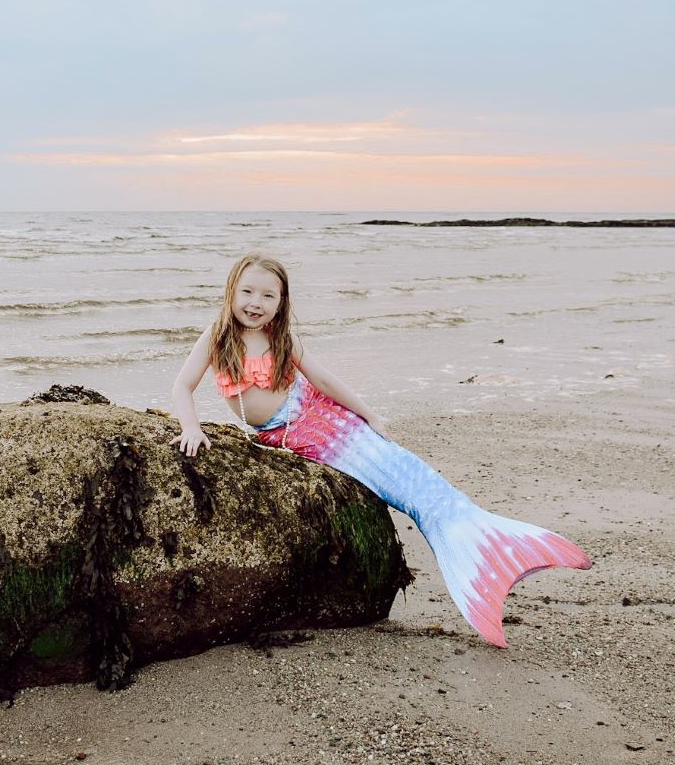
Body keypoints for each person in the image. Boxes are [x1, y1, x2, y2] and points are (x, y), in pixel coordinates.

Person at [170, 251, 591, 648]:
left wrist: (368, 413)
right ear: (231, 291)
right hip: (294, 432)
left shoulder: (281, 338)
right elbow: (182, 386)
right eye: (247, 291)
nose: (256, 303)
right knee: (396, 480)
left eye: (268, 295)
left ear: (281, 303)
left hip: (320, 415)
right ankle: (481, 551)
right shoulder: (217, 336)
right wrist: (191, 427)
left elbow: (323, 380)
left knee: (404, 473)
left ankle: (481, 541)